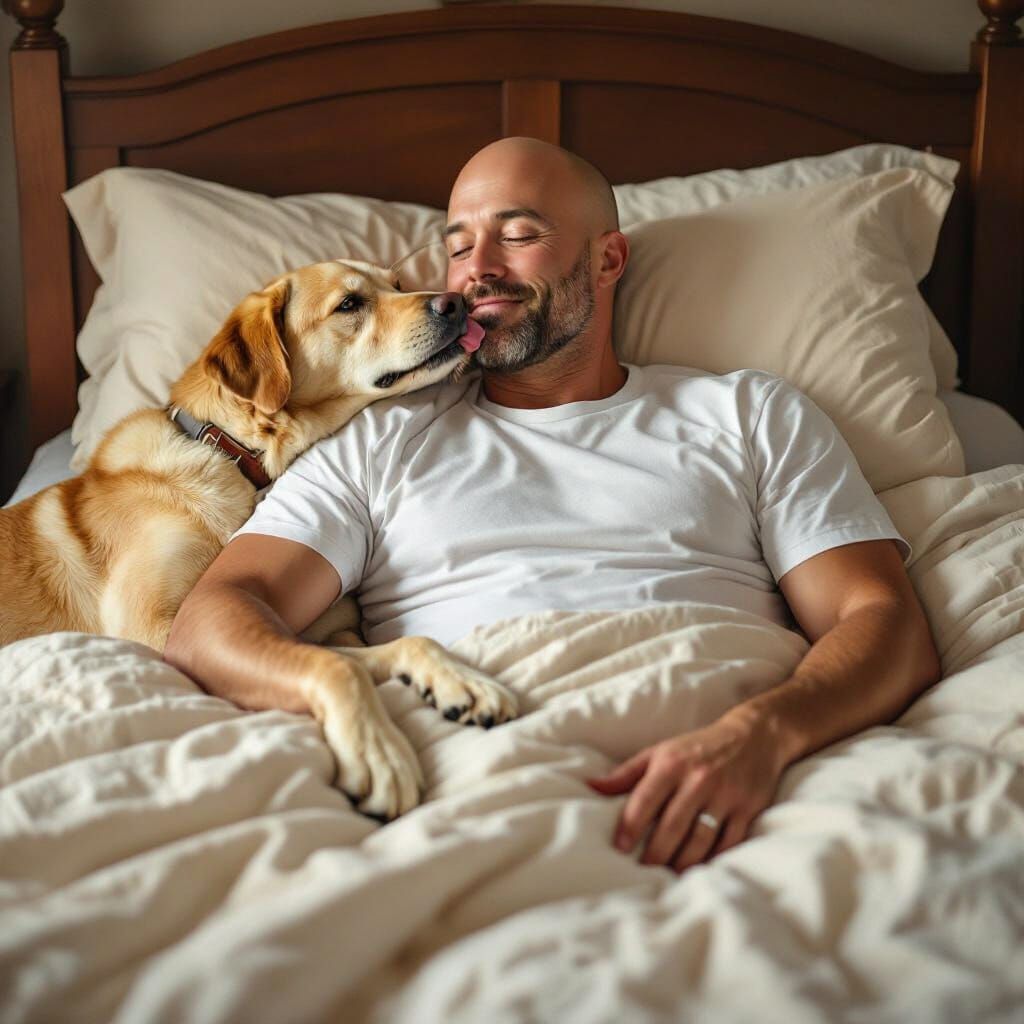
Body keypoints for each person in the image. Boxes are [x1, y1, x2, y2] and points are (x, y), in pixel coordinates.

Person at [164, 137, 940, 874]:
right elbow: (215, 615)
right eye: (459, 245)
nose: (477, 270)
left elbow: (882, 621)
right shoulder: (378, 438)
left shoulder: (747, 413)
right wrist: (325, 686)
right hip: (474, 782)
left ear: (608, 257)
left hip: (732, 776)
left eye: (519, 233)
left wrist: (760, 736)